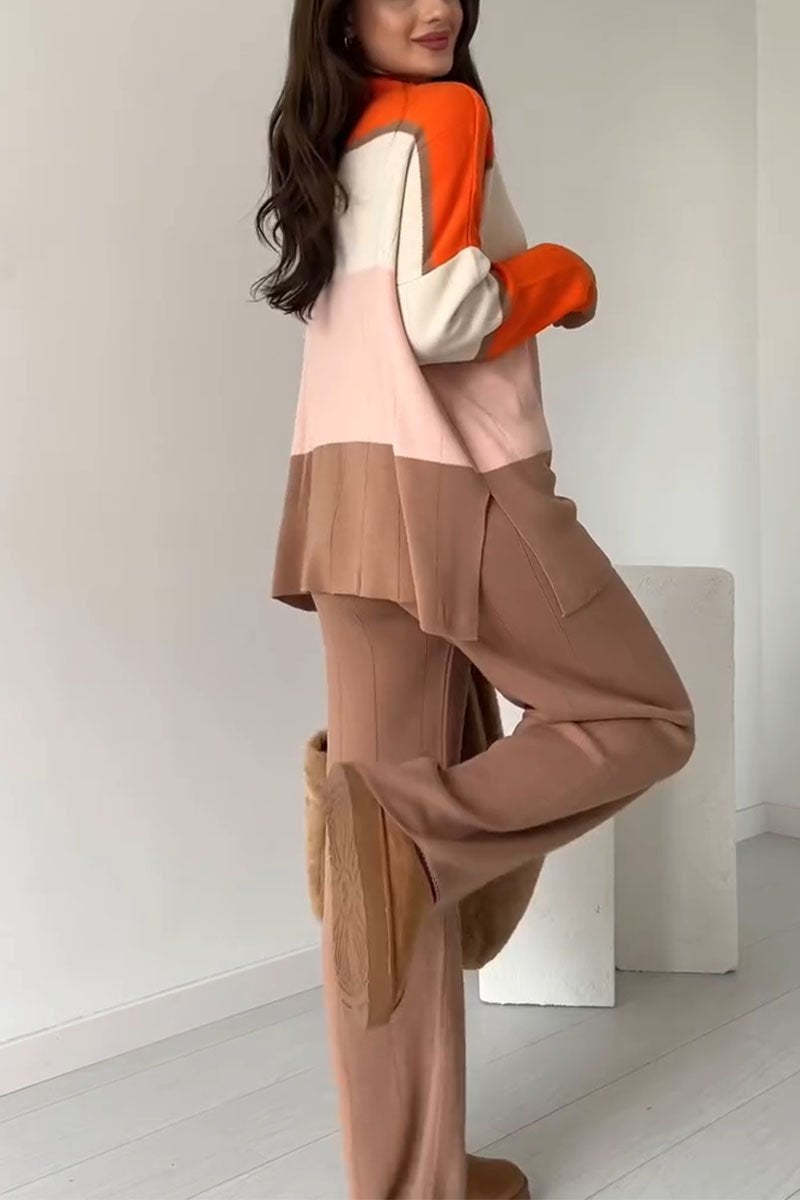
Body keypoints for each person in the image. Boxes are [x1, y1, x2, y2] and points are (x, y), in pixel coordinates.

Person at [254, 2, 696, 1197]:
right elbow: (446, 317)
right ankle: (414, 835)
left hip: (341, 503)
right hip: (461, 492)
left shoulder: (337, 140)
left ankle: (410, 1186)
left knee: (377, 887)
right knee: (642, 715)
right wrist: (564, 275)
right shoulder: (444, 113)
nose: (434, 6)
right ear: (339, 12)